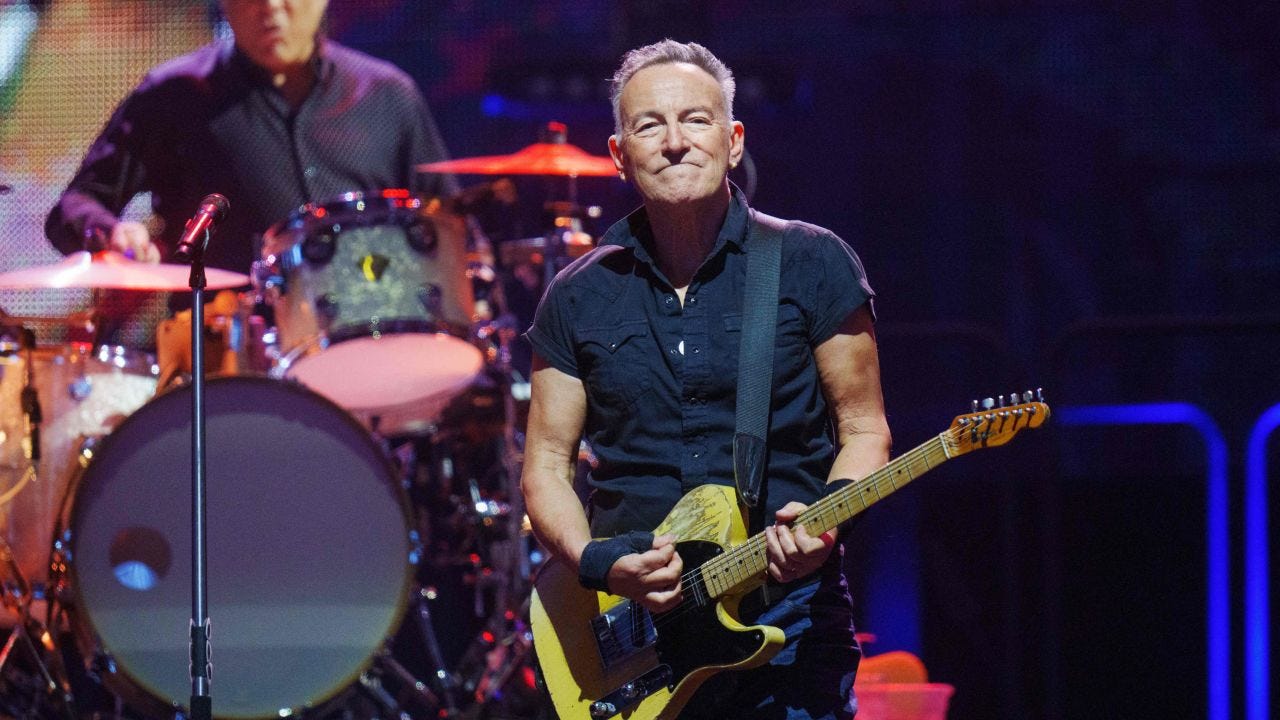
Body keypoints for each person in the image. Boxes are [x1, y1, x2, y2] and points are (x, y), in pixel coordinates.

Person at [521, 40, 892, 720]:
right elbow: (545, 464)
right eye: (649, 125)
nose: (673, 142)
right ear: (617, 154)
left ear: (733, 140)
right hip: (632, 644)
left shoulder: (812, 264)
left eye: (695, 119)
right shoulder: (576, 297)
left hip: (786, 625)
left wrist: (826, 523)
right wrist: (597, 562)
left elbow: (865, 430)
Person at [45, 0, 453, 277]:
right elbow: (73, 206)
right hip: (228, 354)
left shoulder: (387, 94)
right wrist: (111, 234)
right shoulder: (173, 95)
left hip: (374, 334)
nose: (270, 8)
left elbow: (449, 223)